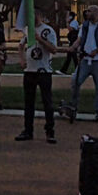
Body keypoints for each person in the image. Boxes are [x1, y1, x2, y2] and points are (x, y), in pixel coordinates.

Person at [67, 4, 98, 121]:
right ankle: (73, 107)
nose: (87, 13)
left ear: (96, 12)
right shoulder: (85, 26)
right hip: (85, 60)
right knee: (75, 81)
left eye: (89, 11)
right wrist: (73, 47)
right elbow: (79, 39)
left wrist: (97, 51)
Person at [15, 9, 58, 143]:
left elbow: (53, 49)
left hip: (44, 71)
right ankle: (28, 130)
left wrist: (40, 40)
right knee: (29, 102)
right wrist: (22, 59)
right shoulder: (28, 30)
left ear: (38, 16)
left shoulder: (48, 30)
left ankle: (50, 131)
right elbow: (21, 45)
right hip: (30, 71)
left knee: (47, 102)